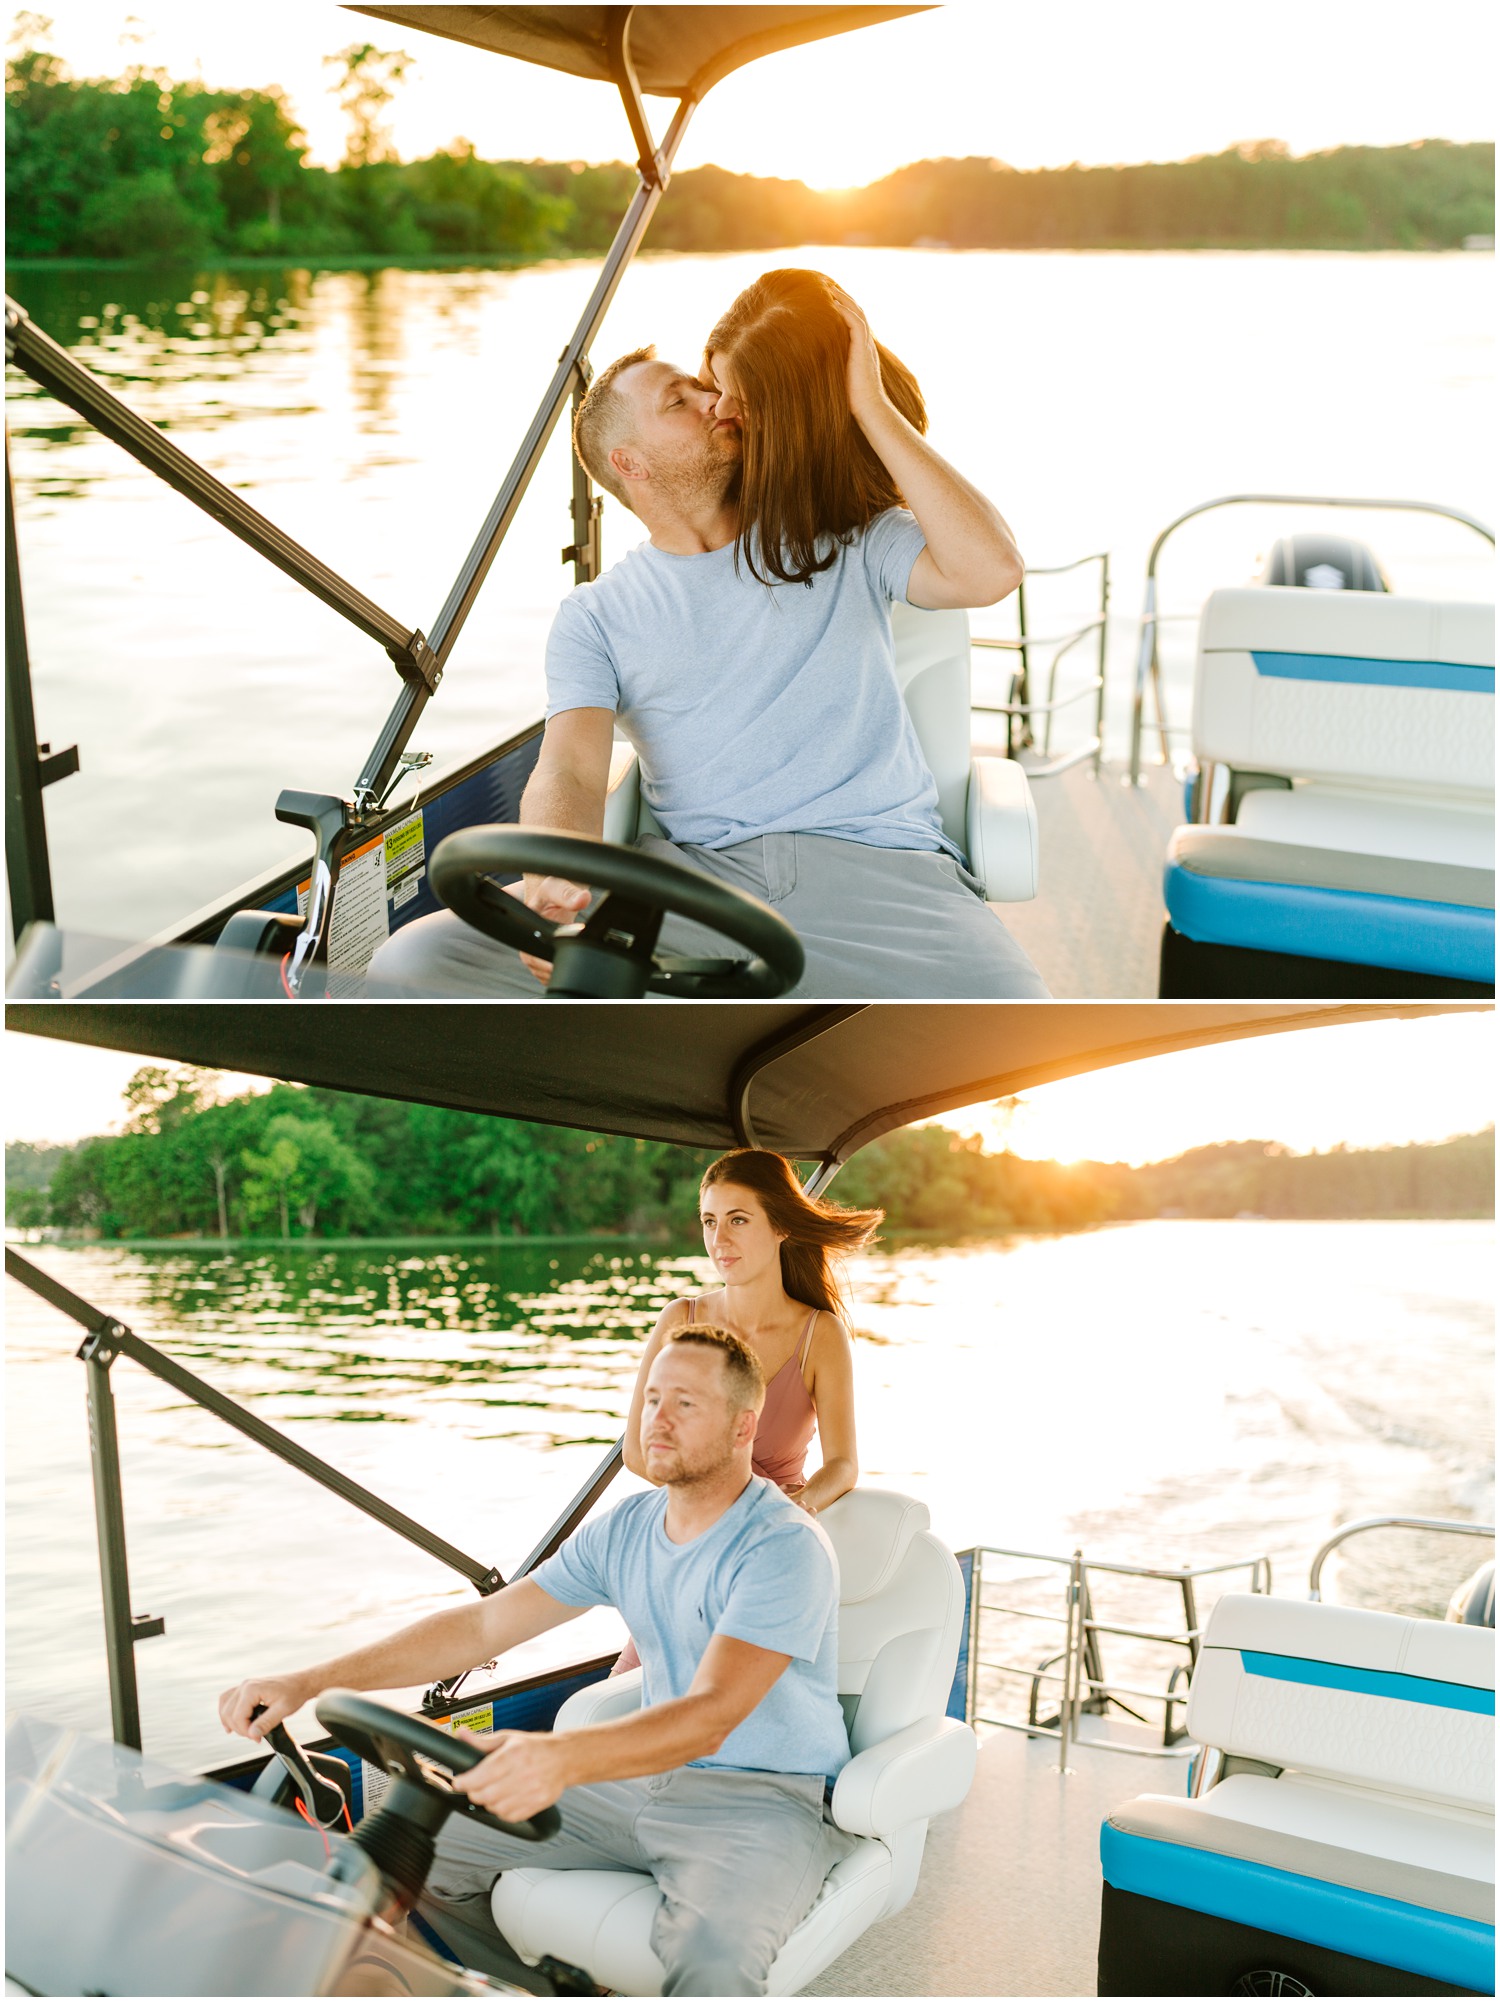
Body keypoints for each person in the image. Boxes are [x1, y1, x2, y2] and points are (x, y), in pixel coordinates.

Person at [368, 267, 1048, 1001]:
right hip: (695, 893)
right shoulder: (596, 615)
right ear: (629, 463)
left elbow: (991, 572)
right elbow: (569, 768)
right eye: (680, 398)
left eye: (706, 387)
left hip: (889, 878)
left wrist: (869, 404)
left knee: (1029, 1026)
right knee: (413, 965)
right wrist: (550, 872)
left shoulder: (844, 535)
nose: (718, 402)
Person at [218, 1325, 856, 1999]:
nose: (656, 1421)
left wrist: (558, 1757)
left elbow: (710, 1717)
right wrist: (309, 1680)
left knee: (714, 1964)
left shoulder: (782, 1547)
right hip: (640, 1779)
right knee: (424, 1847)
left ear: (742, 1426)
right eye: (651, 1399)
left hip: (762, 1798)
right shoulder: (627, 1527)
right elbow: (484, 1625)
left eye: (686, 1404)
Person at [610, 1146, 879, 1675]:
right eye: (710, 1221)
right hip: (689, 1546)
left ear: (780, 1226)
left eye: (737, 1220)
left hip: (774, 1546)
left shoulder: (819, 1335)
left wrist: (791, 1507)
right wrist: (711, 1503)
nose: (718, 1240)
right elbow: (637, 1452)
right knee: (630, 1691)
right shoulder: (678, 1320)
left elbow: (843, 1465)